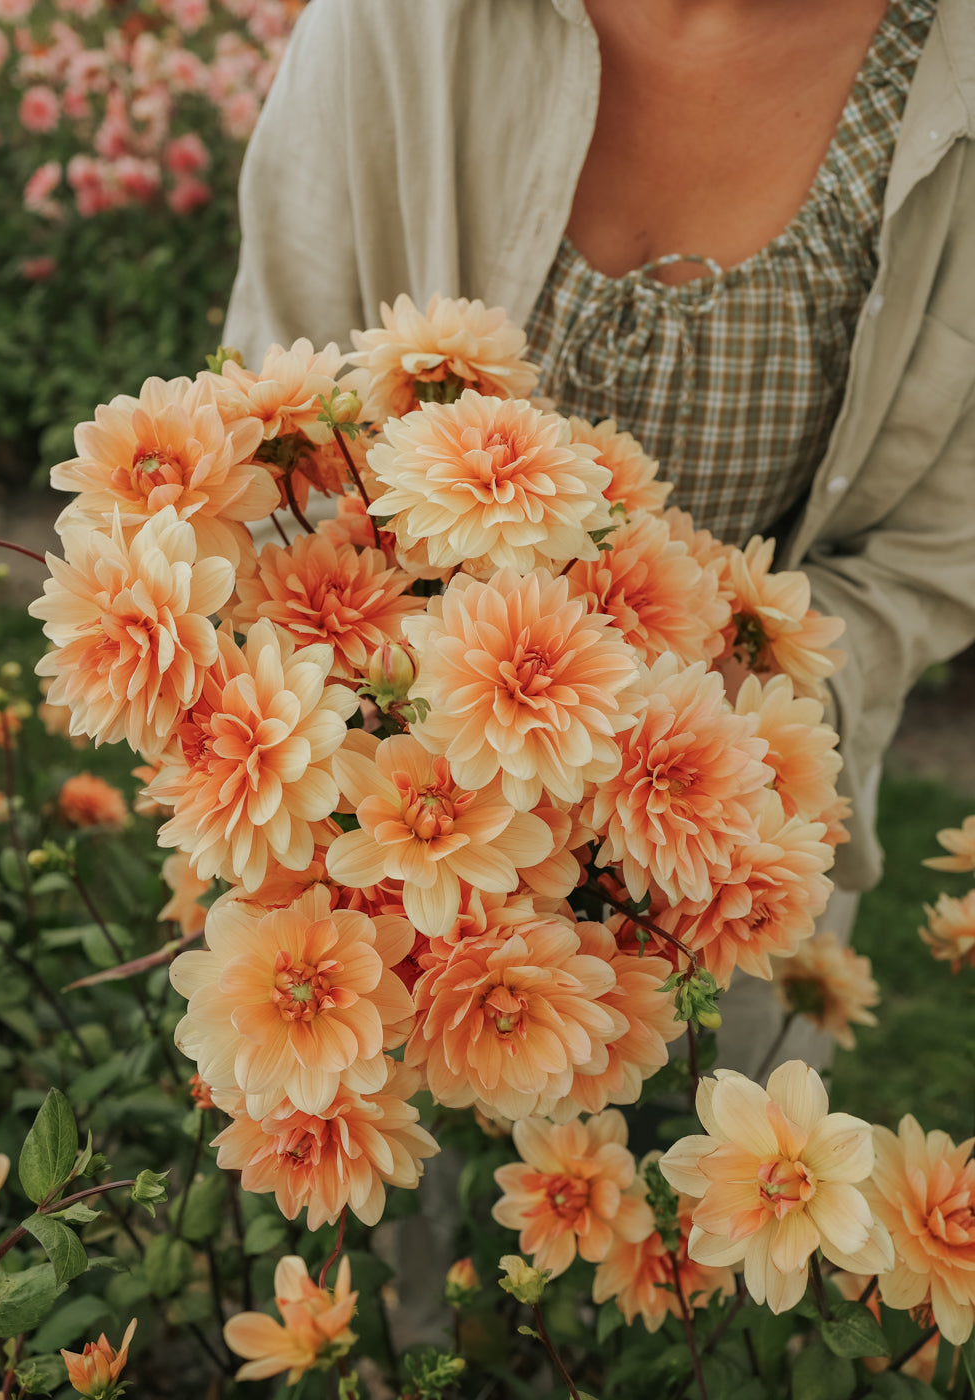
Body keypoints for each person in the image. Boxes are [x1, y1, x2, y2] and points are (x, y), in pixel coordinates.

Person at [222, 0, 975, 1074]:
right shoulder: (398, 24)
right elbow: (276, 423)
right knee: (366, 1193)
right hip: (363, 861)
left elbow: (934, 558)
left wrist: (671, 761)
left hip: (717, 876)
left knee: (706, 1199)